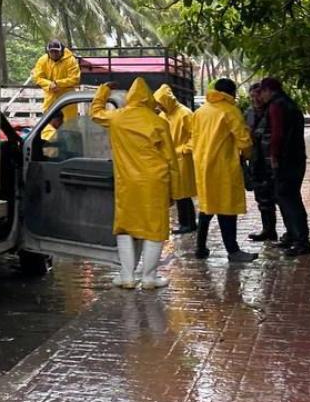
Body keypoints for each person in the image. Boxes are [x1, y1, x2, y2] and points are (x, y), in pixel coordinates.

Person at [90, 77, 180, 289]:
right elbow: (171, 160)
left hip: (127, 183)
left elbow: (95, 113)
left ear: (129, 97)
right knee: (155, 229)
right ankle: (149, 277)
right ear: (149, 98)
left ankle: (127, 276)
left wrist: (103, 91)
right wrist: (173, 192)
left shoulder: (117, 118)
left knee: (125, 228)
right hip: (155, 182)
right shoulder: (159, 122)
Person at [191, 78, 256, 262]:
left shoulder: (201, 111)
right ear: (231, 93)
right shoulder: (230, 111)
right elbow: (244, 140)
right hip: (224, 167)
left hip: (203, 166)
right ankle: (233, 251)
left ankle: (200, 247)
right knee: (227, 208)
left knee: (207, 207)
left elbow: (193, 138)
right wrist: (249, 156)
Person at [259, 77, 310, 257]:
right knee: (286, 198)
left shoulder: (277, 106)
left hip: (286, 159)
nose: (261, 96)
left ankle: (301, 241)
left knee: (289, 200)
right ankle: (292, 235)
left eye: (262, 92)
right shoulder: (289, 103)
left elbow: (277, 134)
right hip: (296, 157)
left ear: (268, 90)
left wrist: (274, 156)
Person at [154, 84, 197, 235]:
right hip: (170, 159)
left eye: (161, 103)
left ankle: (188, 223)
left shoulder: (185, 114)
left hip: (182, 159)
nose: (160, 106)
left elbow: (195, 136)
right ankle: (187, 223)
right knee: (178, 193)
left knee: (183, 193)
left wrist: (185, 150)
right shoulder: (163, 116)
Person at [245, 84, 284, 244]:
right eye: (252, 96)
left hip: (272, 160)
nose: (255, 99)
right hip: (256, 159)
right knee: (262, 198)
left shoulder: (273, 110)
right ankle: (268, 230)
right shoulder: (249, 113)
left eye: (258, 95)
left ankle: (291, 232)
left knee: (280, 197)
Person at [31, 39, 82, 121]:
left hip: (67, 98)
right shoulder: (42, 60)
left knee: (69, 123)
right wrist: (49, 84)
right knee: (48, 123)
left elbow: (75, 78)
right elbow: (37, 77)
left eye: (56, 51)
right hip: (50, 98)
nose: (54, 54)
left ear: (61, 50)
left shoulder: (71, 60)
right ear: (48, 52)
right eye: (52, 52)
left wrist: (57, 83)